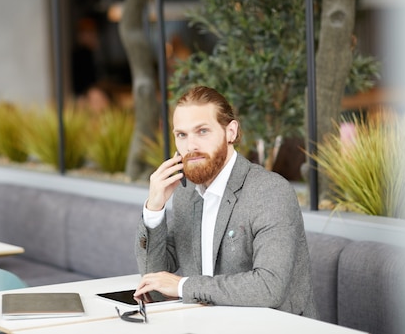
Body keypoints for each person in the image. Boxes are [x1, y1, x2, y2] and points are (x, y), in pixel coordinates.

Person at [134, 85, 318, 318]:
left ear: (231, 132)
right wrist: (154, 208)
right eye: (182, 134)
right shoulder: (186, 192)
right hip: (208, 323)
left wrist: (183, 286)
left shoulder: (269, 191)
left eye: (202, 131)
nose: (191, 146)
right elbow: (154, 275)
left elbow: (269, 287)